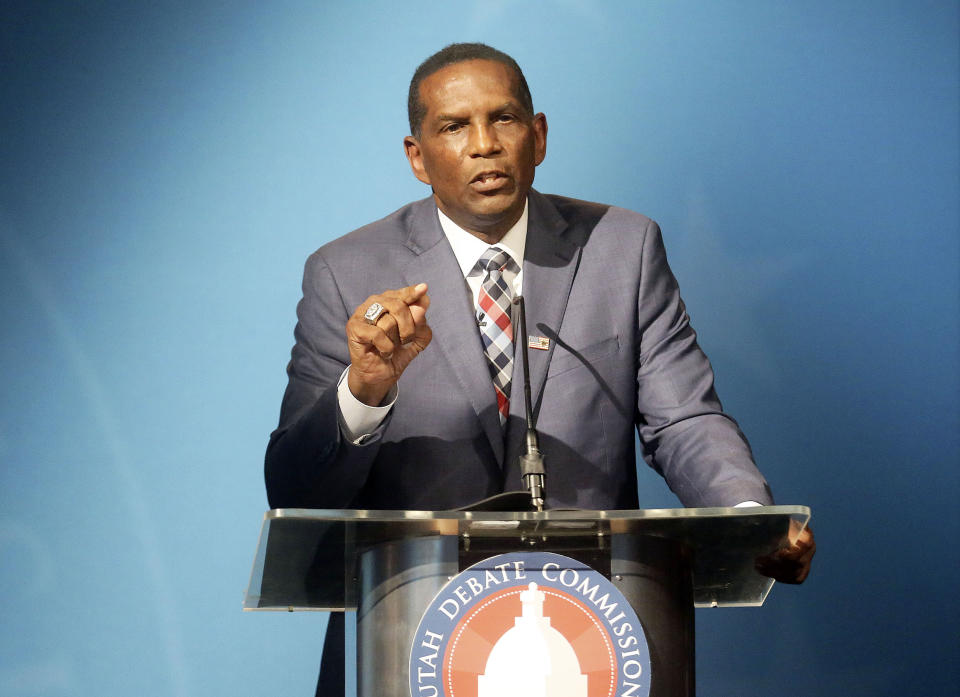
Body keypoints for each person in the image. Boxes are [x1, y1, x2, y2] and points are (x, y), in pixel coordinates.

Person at [265, 42, 815, 692]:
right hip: (411, 648)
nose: (484, 144)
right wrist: (364, 392)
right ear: (417, 157)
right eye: (454, 126)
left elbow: (685, 418)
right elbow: (295, 491)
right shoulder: (345, 272)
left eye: (504, 120)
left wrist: (745, 513)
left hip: (590, 639)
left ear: (539, 135)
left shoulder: (623, 248)